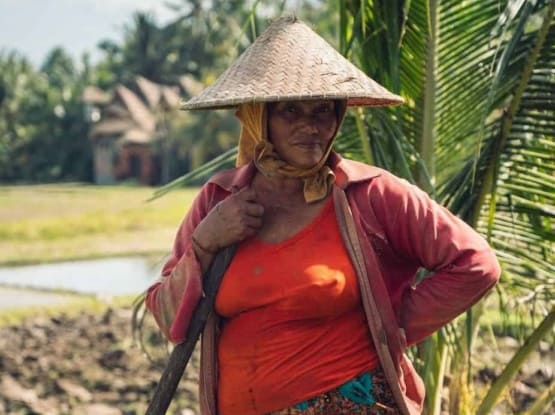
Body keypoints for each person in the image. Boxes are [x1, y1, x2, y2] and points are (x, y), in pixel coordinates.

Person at [145, 16, 500, 415]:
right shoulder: (218, 201)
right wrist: (205, 244)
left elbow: (476, 264)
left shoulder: (371, 194)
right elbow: (167, 316)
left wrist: (388, 325)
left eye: (323, 110)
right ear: (258, 118)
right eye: (290, 111)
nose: (310, 127)